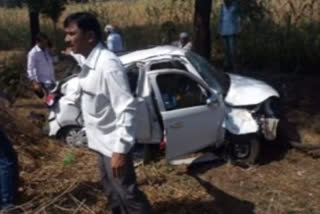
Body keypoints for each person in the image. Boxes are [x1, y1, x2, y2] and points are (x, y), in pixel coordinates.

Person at [63, 12, 152, 214]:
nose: (67, 39)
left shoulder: (108, 65)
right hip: (99, 142)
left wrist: (120, 151)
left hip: (113, 145)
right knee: (112, 192)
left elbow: (127, 108)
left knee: (128, 194)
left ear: (90, 37)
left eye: (71, 34)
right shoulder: (88, 60)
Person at [27, 33, 56, 98]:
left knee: (52, 99)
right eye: (43, 42)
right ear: (37, 42)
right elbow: (30, 69)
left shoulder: (47, 50)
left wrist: (53, 53)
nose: (45, 44)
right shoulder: (33, 53)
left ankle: (49, 106)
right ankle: (49, 106)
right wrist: (35, 83)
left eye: (46, 42)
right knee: (52, 98)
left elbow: (55, 61)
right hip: (44, 80)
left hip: (52, 78)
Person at [218, 0, 241, 71]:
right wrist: (219, 30)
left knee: (232, 50)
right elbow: (221, 18)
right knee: (226, 50)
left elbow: (238, 18)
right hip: (224, 30)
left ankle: (235, 67)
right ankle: (227, 66)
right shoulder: (222, 6)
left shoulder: (235, 5)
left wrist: (239, 29)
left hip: (232, 30)